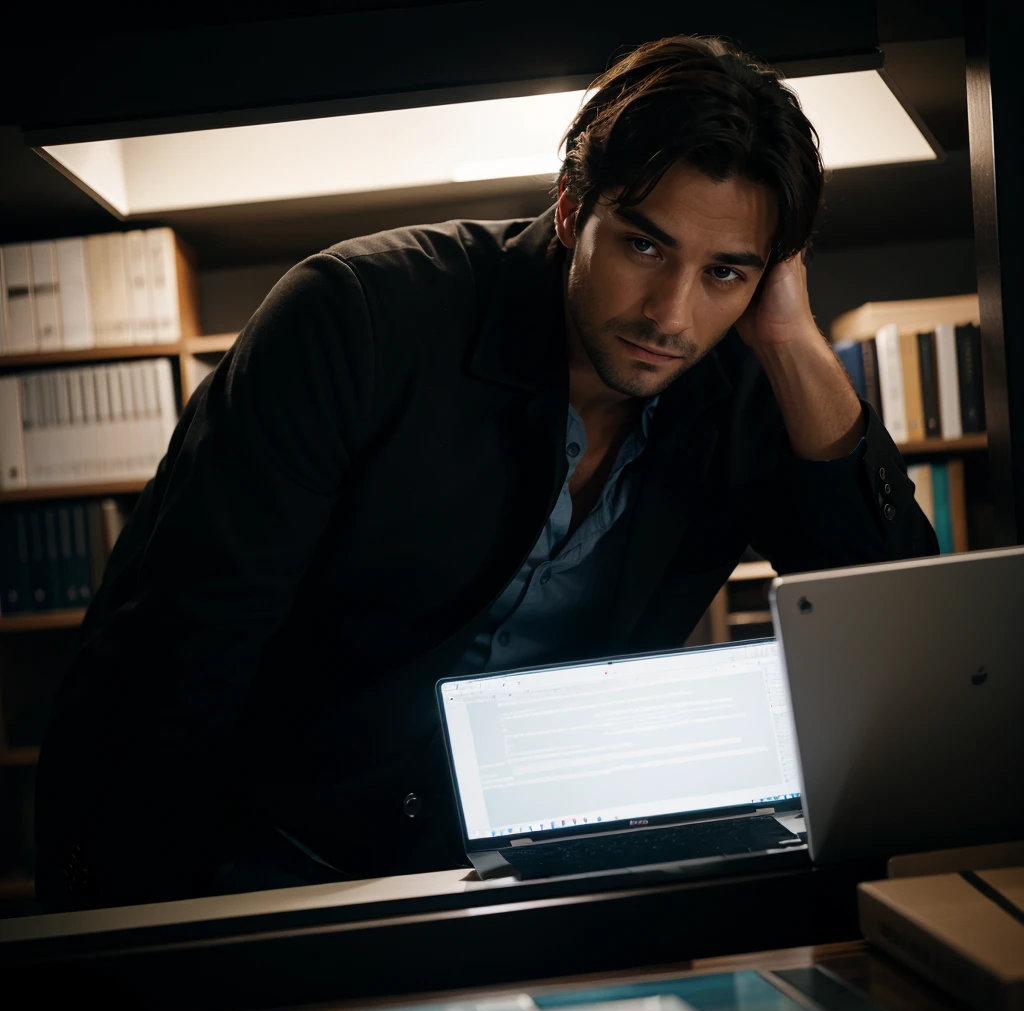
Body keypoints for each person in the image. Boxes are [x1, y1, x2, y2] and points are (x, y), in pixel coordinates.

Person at [35, 33, 938, 911]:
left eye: (727, 272)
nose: (672, 314)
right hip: (275, 862)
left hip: (545, 878)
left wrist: (787, 337)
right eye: (645, 245)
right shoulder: (357, 319)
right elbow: (177, 658)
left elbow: (897, 632)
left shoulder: (747, 379)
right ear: (570, 211)